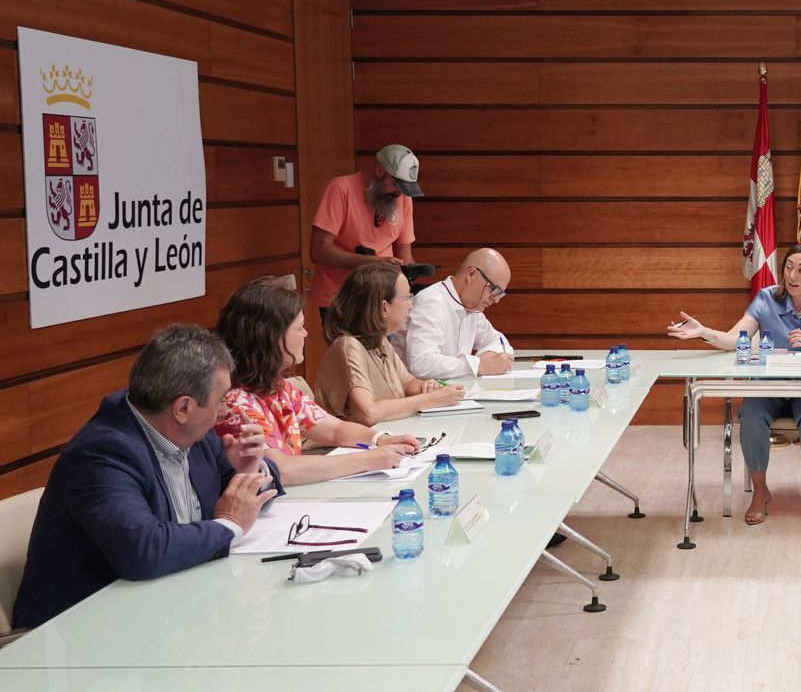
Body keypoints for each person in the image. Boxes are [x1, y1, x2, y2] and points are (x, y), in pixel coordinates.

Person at [13, 325, 282, 629]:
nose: (223, 412)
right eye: (220, 400)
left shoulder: (194, 435)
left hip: (169, 613)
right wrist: (229, 525)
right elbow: (143, 550)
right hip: (79, 640)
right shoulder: (102, 454)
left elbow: (240, 498)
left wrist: (250, 470)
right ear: (183, 407)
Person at [667, 243, 801, 527]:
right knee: (750, 417)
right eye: (788, 267)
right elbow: (733, 339)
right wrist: (704, 333)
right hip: (769, 386)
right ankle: (760, 492)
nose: (792, 275)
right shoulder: (766, 298)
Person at [214, 277, 423, 486]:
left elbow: (335, 430)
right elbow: (281, 469)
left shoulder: (277, 387)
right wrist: (368, 459)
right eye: (299, 328)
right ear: (271, 337)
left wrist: (381, 439)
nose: (306, 334)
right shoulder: (233, 403)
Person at [315, 262, 466, 424]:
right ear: (384, 307)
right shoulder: (348, 346)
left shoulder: (379, 339)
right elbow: (367, 412)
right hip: (344, 447)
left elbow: (407, 383)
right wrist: (431, 399)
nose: (411, 304)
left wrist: (429, 387)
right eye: (407, 297)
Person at [307, 144, 423, 316]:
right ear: (379, 172)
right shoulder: (340, 189)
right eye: (397, 185)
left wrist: (410, 280)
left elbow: (404, 254)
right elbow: (319, 251)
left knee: (383, 344)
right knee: (349, 344)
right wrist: (371, 262)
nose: (400, 194)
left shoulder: (403, 198)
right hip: (341, 297)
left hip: (383, 296)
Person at [393, 248, 513, 379]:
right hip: (415, 394)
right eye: (494, 290)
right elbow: (422, 364)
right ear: (471, 274)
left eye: (500, 293)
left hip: (450, 392)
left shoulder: (472, 308)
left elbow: (500, 342)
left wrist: (489, 360)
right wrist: (479, 365)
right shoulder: (431, 302)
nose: (496, 300)